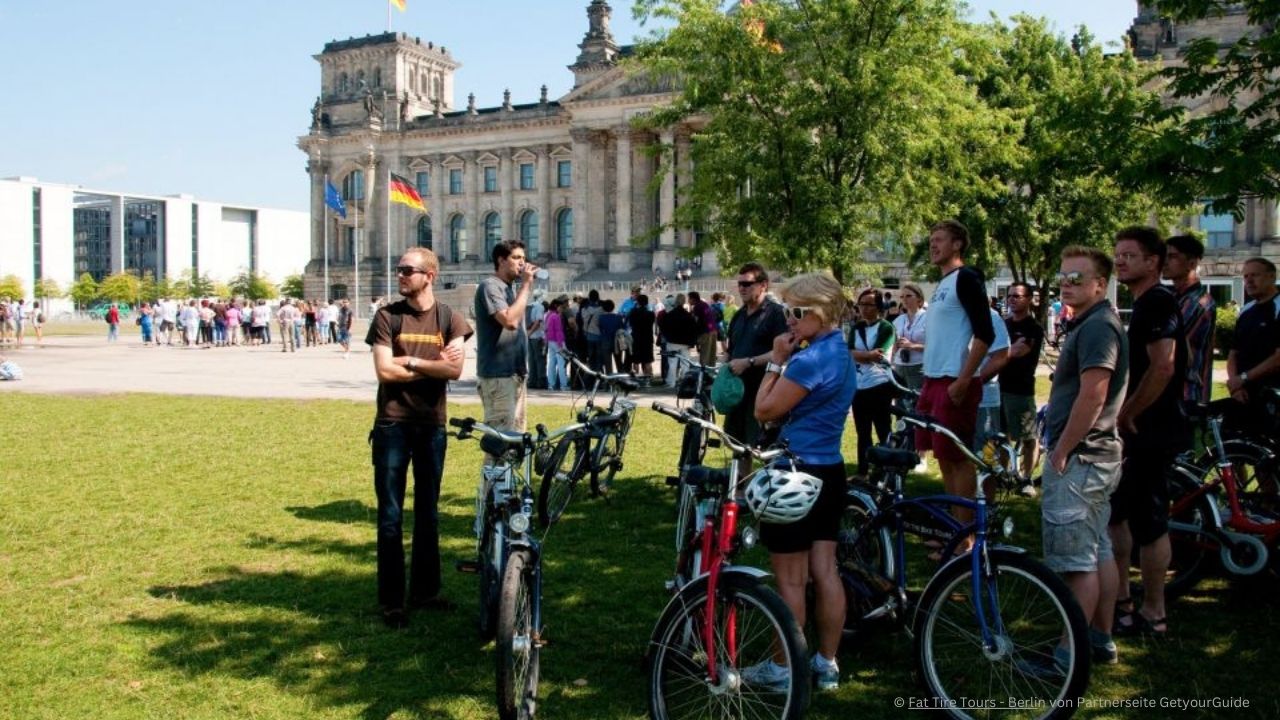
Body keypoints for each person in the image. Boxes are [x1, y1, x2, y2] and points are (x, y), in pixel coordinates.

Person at [750, 272, 857, 693]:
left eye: (796, 312)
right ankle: (825, 662)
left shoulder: (809, 360)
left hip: (798, 474)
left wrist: (776, 361)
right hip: (830, 469)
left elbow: (764, 410)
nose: (789, 321)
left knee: (791, 579)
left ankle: (782, 669)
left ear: (820, 311)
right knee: (825, 572)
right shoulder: (840, 352)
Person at [366, 247, 472, 629]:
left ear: (429, 275)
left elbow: (456, 370)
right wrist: (432, 367)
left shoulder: (450, 318)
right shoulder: (386, 317)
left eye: (407, 270)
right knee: (391, 516)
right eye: (399, 270)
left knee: (428, 512)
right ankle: (393, 600)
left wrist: (409, 360)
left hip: (431, 426)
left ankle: (426, 592)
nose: (400, 275)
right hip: (392, 424)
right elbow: (384, 371)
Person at [1042, 246, 1129, 666]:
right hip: (1096, 457)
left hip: (1083, 459)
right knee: (1098, 552)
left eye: (1077, 278)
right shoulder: (1091, 322)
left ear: (1100, 283)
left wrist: (1062, 449)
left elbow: (1094, 394)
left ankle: (1067, 653)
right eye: (1063, 277)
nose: (1067, 283)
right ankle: (1098, 638)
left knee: (1078, 564)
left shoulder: (1098, 327)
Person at [1110, 226, 1188, 639]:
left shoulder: (1158, 302)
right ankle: (1121, 601)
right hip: (1137, 431)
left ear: (1153, 262)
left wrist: (1127, 413)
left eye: (1129, 255)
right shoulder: (1141, 304)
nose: (1120, 261)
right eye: (1117, 254)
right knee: (1116, 515)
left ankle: (1154, 612)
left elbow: (1164, 366)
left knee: (1152, 521)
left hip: (1151, 430)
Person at [917, 221, 996, 532]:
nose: (933, 246)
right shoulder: (942, 285)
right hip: (932, 380)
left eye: (939, 240)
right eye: (930, 241)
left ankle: (966, 537)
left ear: (958, 244)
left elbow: (985, 333)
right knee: (943, 458)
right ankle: (955, 530)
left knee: (959, 458)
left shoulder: (966, 278)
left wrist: (964, 379)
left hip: (954, 381)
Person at [474, 240, 537, 440]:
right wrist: (526, 286)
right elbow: (509, 321)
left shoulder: (509, 289)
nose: (522, 263)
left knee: (516, 439)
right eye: (516, 258)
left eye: (524, 259)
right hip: (498, 376)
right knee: (499, 441)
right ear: (501, 260)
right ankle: (492, 472)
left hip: (515, 374)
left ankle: (506, 472)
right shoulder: (490, 286)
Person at [998, 282, 1045, 489]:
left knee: (1028, 437)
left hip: (1021, 389)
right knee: (1001, 436)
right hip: (999, 387)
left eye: (1017, 296)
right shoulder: (1003, 324)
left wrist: (1001, 355)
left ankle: (1026, 479)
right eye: (1009, 296)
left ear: (1029, 299)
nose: (1012, 300)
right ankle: (1003, 475)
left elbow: (1019, 352)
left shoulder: (1033, 328)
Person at [1224, 257, 1280, 431]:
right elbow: (1234, 353)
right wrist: (1235, 385)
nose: (1249, 280)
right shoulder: (1246, 311)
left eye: (1254, 275)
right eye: (1246, 276)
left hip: (1273, 396)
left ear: (1271, 277)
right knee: (1232, 450)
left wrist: (1244, 378)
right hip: (1242, 395)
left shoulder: (1278, 308)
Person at [848, 288, 896, 478]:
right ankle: (863, 471)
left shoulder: (886, 327)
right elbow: (848, 352)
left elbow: (878, 355)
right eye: (862, 304)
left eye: (870, 305)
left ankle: (887, 471)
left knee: (884, 429)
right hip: (860, 386)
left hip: (880, 384)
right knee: (863, 432)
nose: (865, 309)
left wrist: (862, 356)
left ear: (879, 307)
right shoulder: (856, 328)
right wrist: (864, 356)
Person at [1165, 235, 1217, 407]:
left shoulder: (1198, 301)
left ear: (1192, 263)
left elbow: (1168, 345)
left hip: (1187, 394)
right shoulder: (1174, 297)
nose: (1164, 262)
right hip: (1173, 392)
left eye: (1172, 257)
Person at [658, 293, 699, 387]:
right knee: (685, 363)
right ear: (684, 302)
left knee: (672, 363)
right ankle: (685, 382)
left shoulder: (669, 315)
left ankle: (671, 382)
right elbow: (694, 330)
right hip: (685, 343)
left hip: (672, 341)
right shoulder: (688, 315)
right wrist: (692, 343)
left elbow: (663, 327)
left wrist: (668, 337)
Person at [892, 283, 927, 394]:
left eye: (908, 296)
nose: (904, 299)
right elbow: (892, 347)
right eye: (902, 297)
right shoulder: (898, 320)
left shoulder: (928, 318)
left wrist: (912, 346)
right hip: (899, 366)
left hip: (919, 367)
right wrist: (895, 346)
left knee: (918, 405)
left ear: (919, 299)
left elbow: (936, 347)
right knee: (901, 404)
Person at [627, 293, 657, 383]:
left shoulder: (633, 312)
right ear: (647, 302)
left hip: (636, 337)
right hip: (647, 338)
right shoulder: (651, 314)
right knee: (648, 360)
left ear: (638, 302)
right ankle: (649, 377)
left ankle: (636, 378)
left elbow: (630, 323)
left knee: (636, 360)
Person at [544, 297, 570, 390]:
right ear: (556, 306)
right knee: (561, 363)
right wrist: (561, 344)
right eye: (561, 307)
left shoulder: (548, 315)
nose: (562, 309)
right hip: (557, 341)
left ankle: (551, 384)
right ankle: (564, 385)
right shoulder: (556, 316)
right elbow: (559, 331)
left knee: (551, 362)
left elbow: (546, 329)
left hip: (550, 341)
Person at [688, 290, 718, 366]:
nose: (688, 300)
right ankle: (711, 371)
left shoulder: (697, 306)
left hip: (706, 332)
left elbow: (695, 321)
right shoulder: (704, 304)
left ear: (693, 299)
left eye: (689, 298)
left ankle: (704, 372)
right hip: (713, 330)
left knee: (705, 354)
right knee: (711, 354)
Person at [525, 290, 547, 390]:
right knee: (540, 360)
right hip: (537, 336)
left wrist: (528, 333)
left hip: (529, 337)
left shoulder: (529, 306)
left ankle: (531, 381)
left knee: (531, 360)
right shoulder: (540, 307)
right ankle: (541, 382)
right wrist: (531, 332)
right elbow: (538, 321)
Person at [598, 299, 625, 374]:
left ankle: (610, 381)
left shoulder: (601, 318)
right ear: (613, 307)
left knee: (608, 364)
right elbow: (622, 328)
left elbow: (600, 328)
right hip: (617, 341)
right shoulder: (618, 317)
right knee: (619, 361)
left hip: (605, 341)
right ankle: (621, 377)